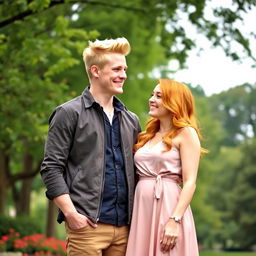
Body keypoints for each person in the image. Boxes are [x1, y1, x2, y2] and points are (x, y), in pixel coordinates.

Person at [40, 37, 141, 256]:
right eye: (116, 69)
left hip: (126, 228)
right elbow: (51, 168)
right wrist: (71, 214)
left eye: (124, 68)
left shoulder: (131, 120)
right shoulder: (68, 113)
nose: (123, 74)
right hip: (87, 227)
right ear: (95, 71)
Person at [125, 79, 207, 256]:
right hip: (142, 209)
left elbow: (191, 181)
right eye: (152, 95)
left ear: (174, 102)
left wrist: (174, 220)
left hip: (169, 206)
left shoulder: (186, 133)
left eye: (159, 96)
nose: (152, 99)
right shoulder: (146, 136)